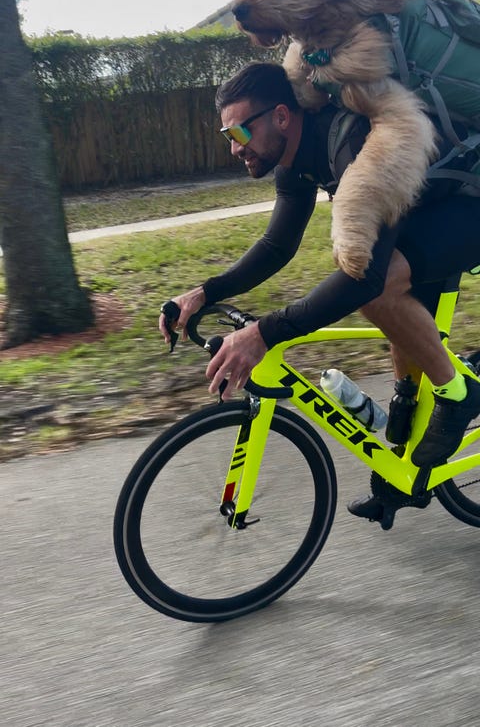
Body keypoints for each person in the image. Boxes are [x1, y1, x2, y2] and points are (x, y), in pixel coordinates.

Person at [159, 61, 480, 519]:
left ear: (282, 117)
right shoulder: (293, 163)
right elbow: (276, 246)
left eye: (240, 133)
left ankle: (458, 392)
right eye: (227, 137)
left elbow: (363, 277)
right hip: (422, 212)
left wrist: (264, 333)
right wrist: (204, 293)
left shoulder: (351, 141)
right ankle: (406, 452)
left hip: (469, 202)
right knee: (378, 291)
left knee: (370, 280)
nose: (235, 149)